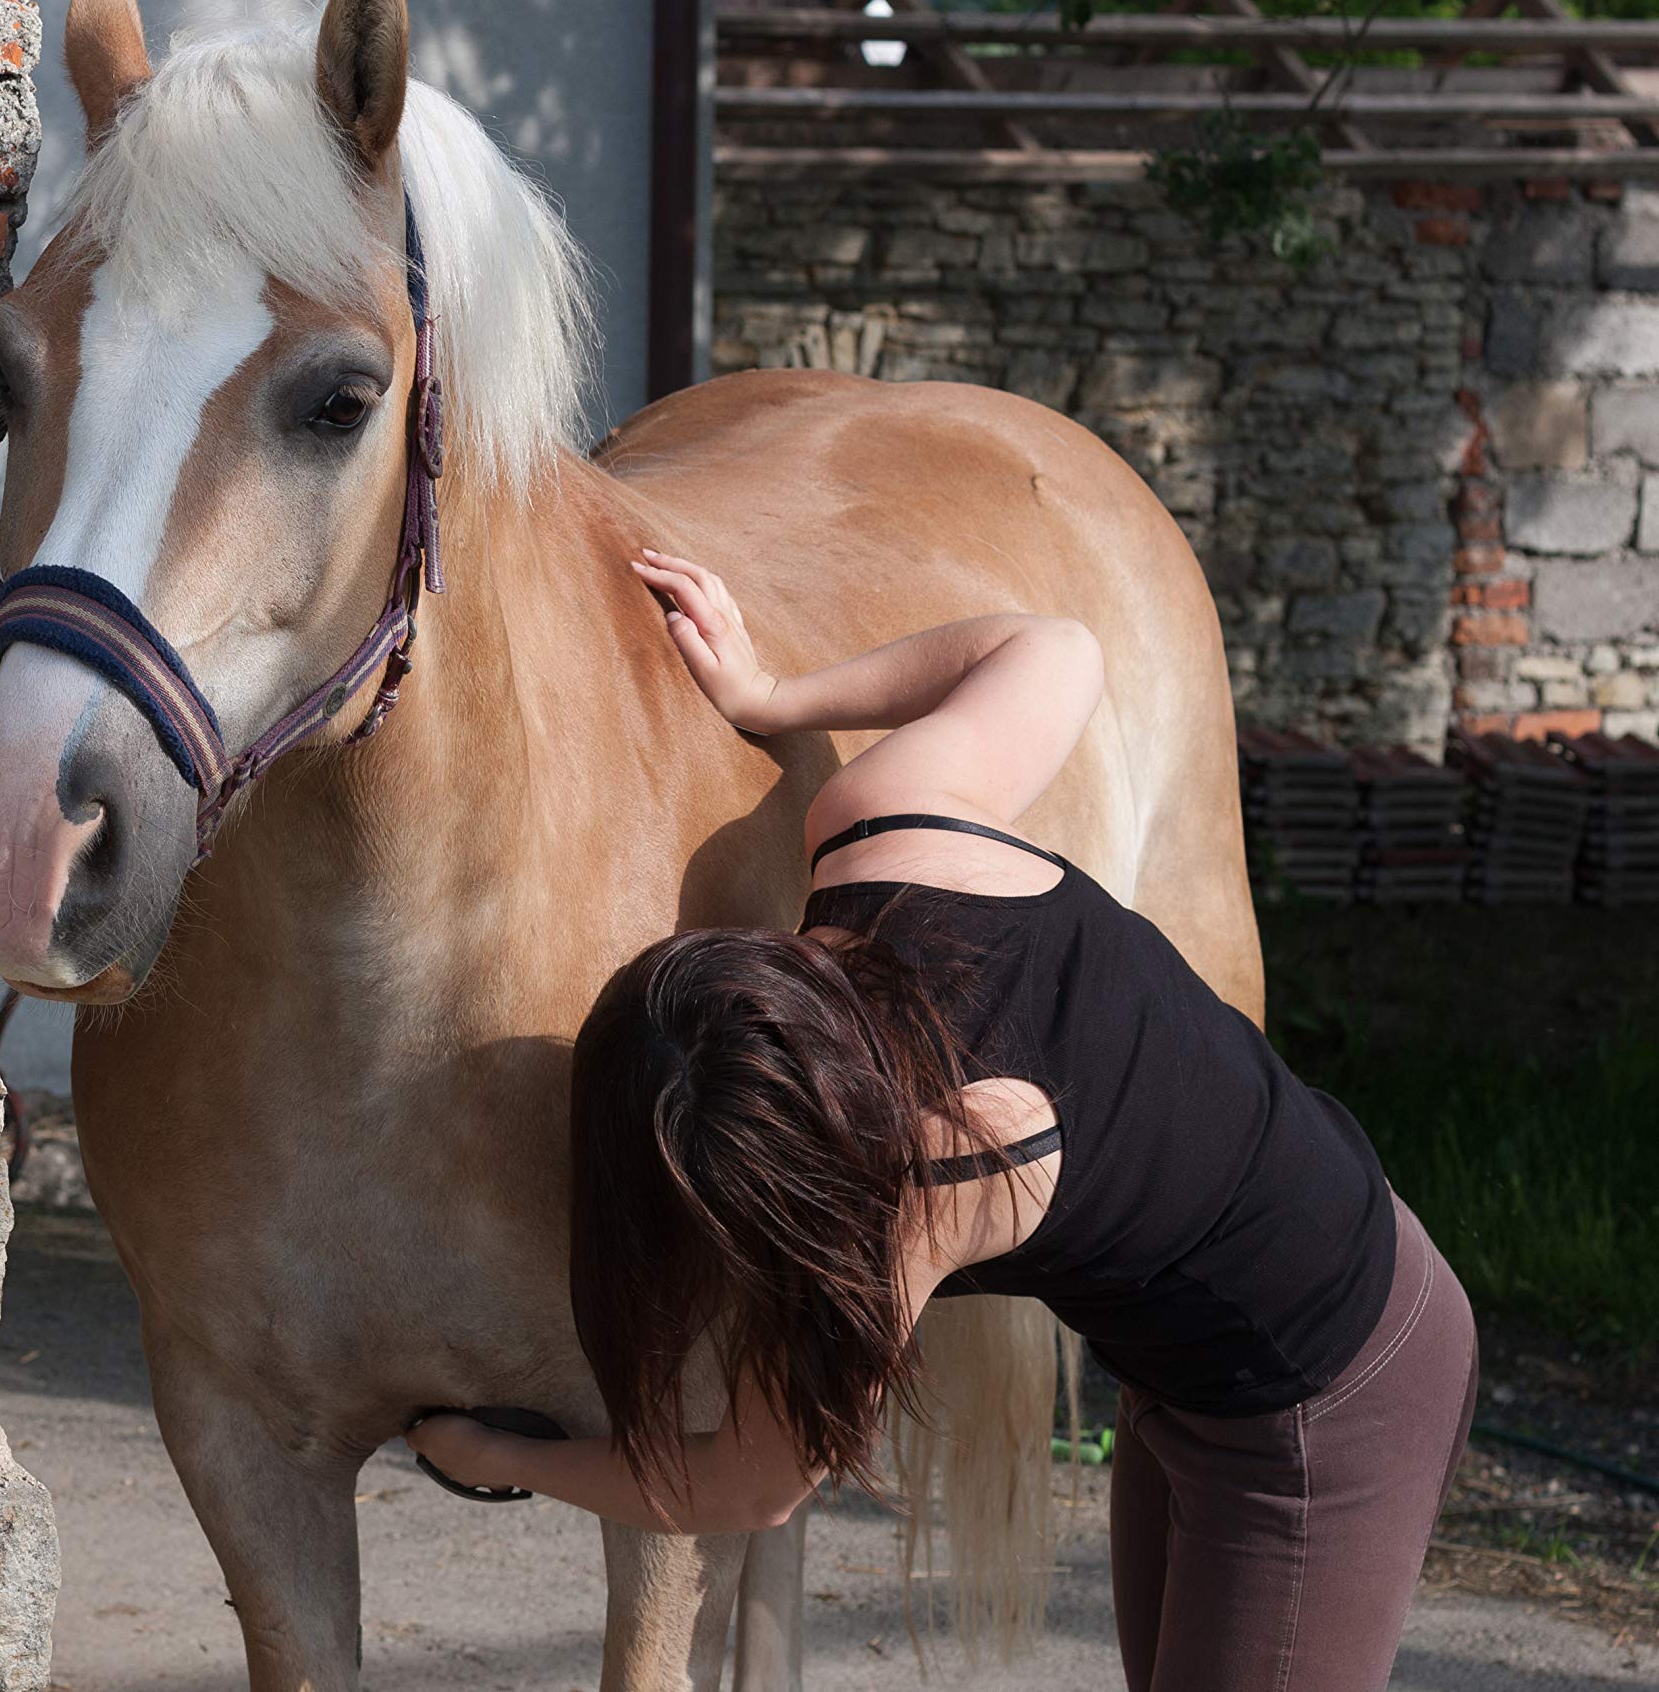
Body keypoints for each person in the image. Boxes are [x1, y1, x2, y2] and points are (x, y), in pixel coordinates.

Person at [404, 550, 1479, 1692]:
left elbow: (754, 1486)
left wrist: (501, 1454)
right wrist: (773, 697)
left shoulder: (943, 1164)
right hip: (1196, 1363)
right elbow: (1053, 649)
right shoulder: (882, 830)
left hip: (1331, 1396)